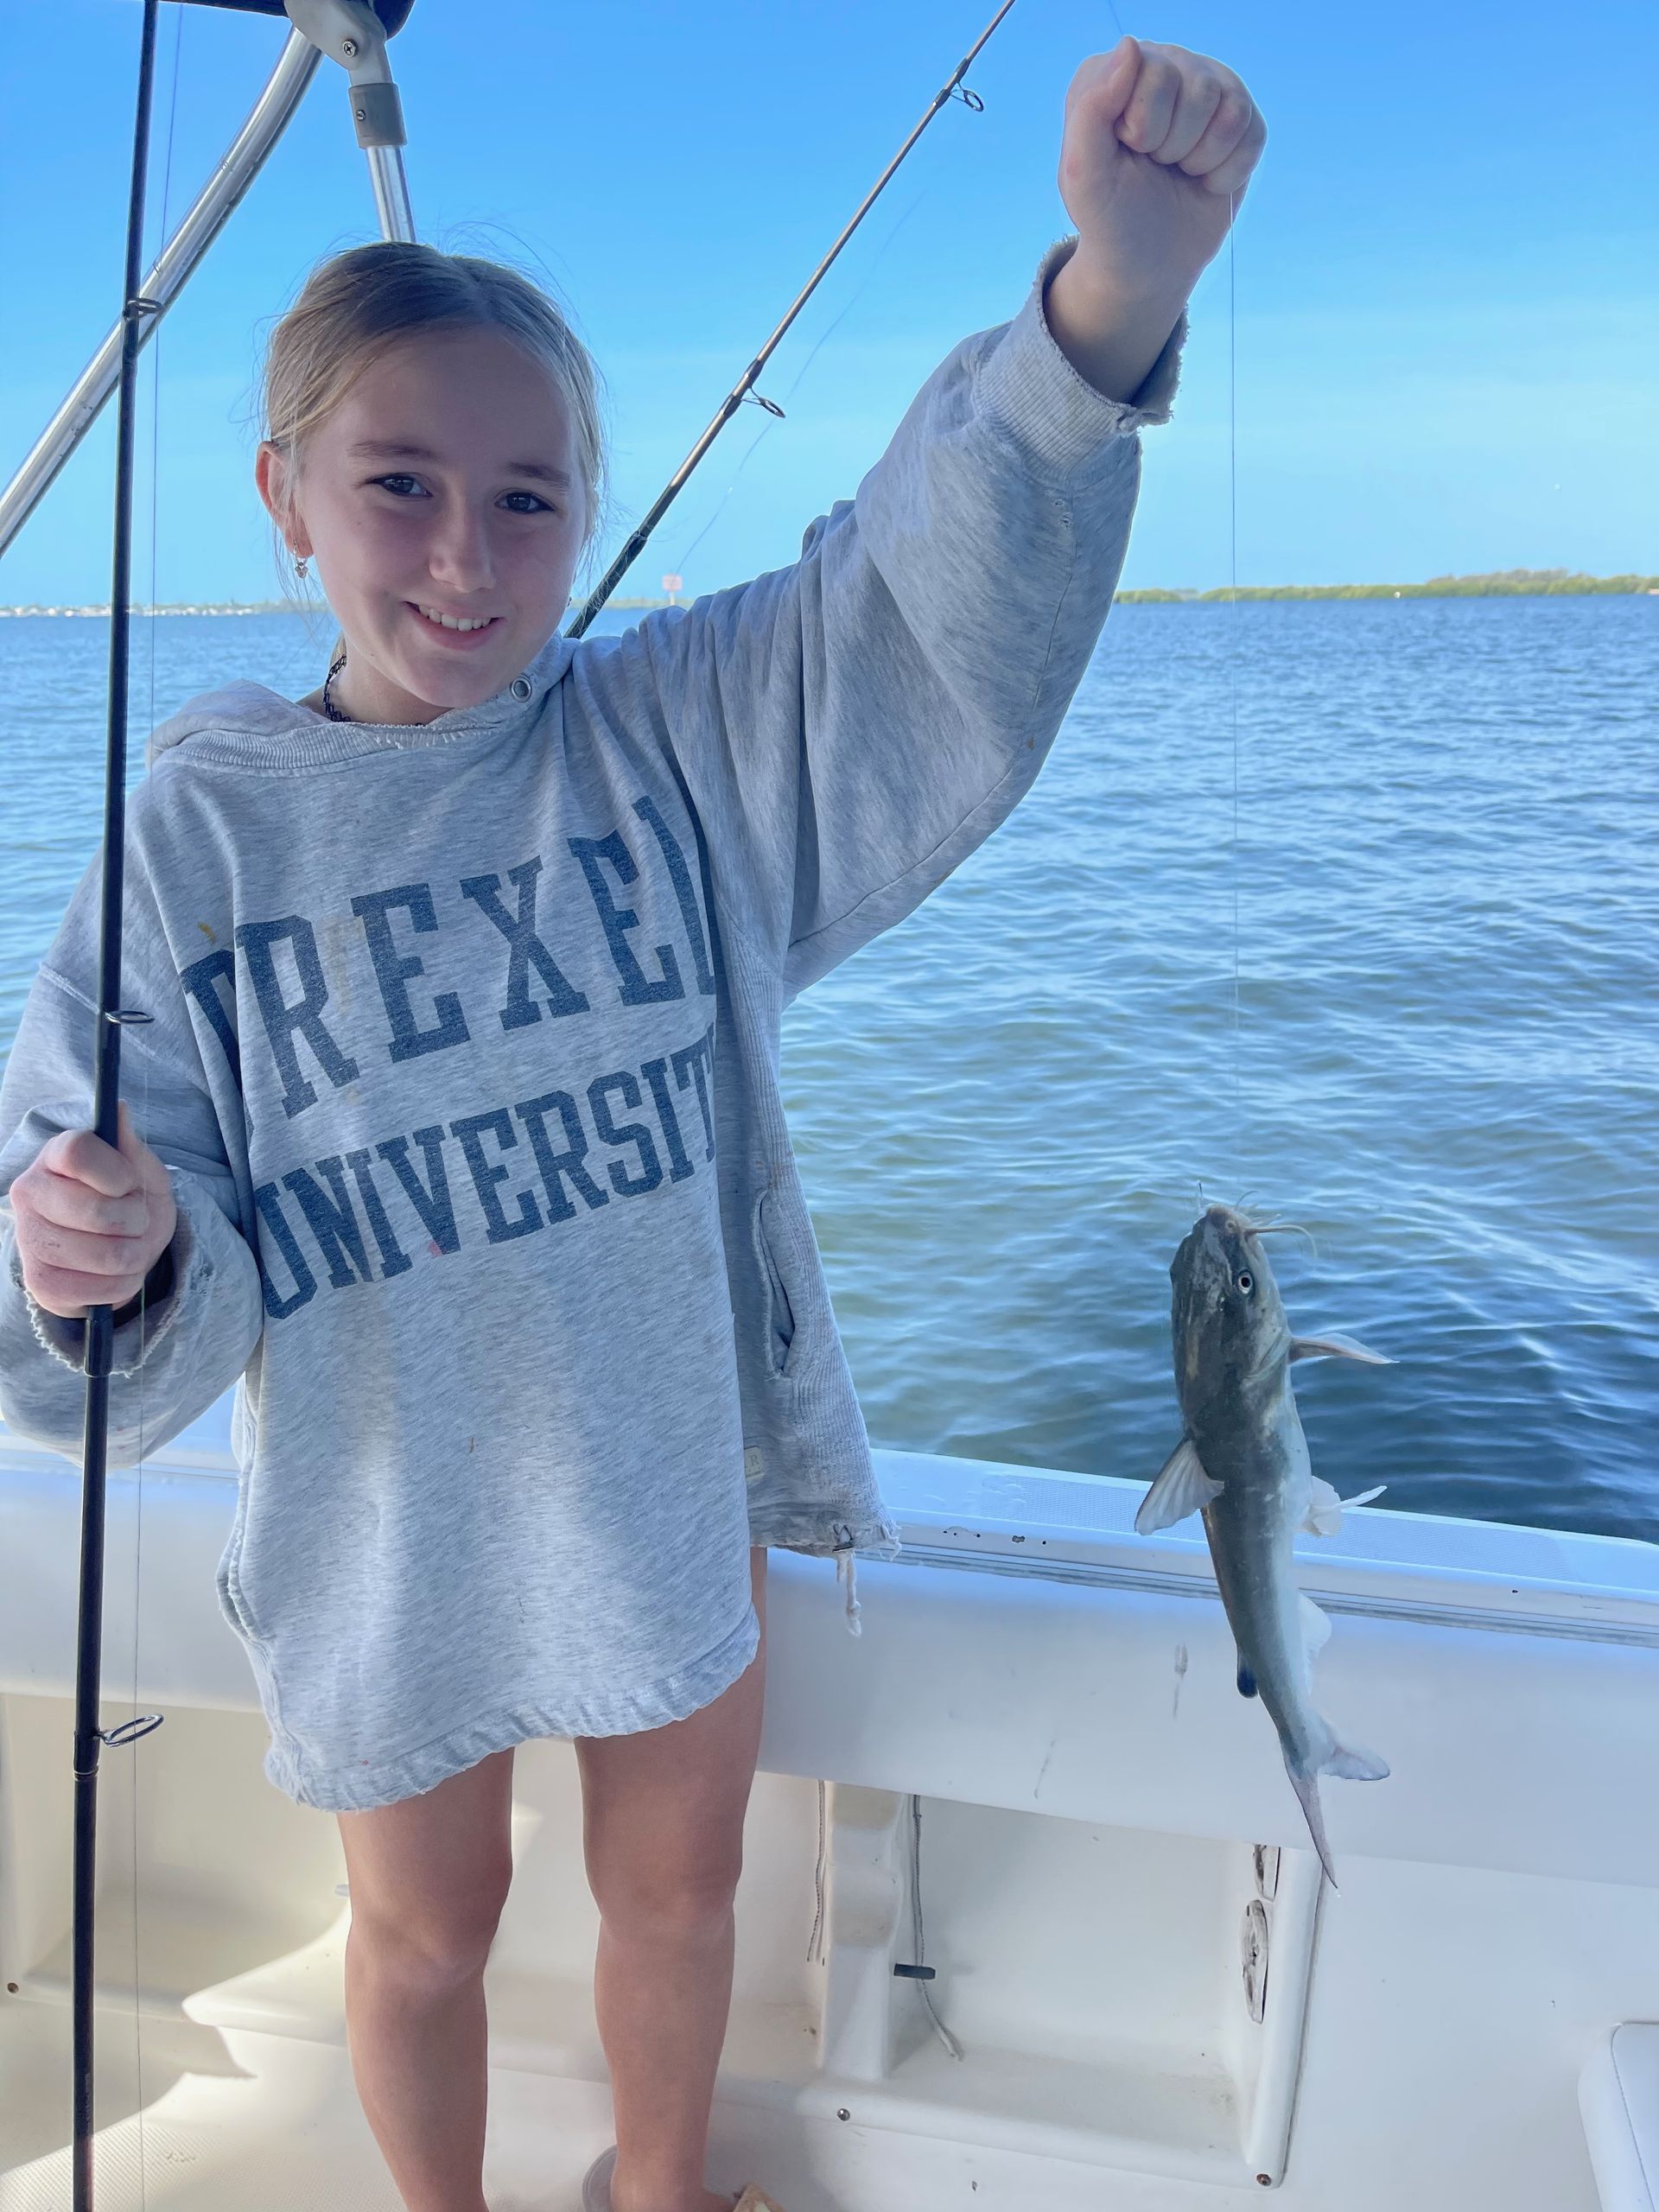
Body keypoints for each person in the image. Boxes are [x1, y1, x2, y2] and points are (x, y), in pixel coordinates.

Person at [0, 33, 1263, 2212]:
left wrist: (1106, 311)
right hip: (379, 1517)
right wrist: (87, 1254)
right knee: (426, 1933)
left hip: (664, 1469)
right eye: (399, 484)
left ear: (589, 508)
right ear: (285, 492)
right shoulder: (198, 823)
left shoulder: (672, 742)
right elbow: (121, 1220)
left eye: (529, 498)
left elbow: (902, 612)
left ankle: (657, 2190)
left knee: (680, 1900)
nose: (466, 558)